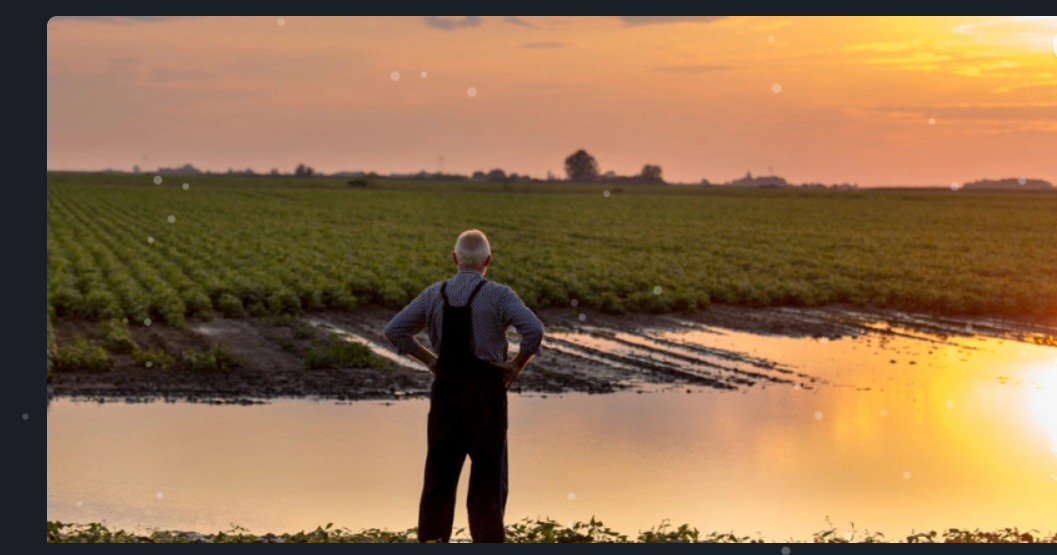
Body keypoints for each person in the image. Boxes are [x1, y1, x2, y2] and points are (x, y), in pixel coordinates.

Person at [384, 229, 544, 543]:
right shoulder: (499, 295)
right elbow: (534, 331)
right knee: (487, 477)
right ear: (488, 260)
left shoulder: (434, 294)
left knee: (439, 478)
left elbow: (396, 330)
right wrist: (515, 365)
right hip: (486, 392)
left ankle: (432, 542)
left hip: (446, 393)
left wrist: (431, 361)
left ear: (455, 259)